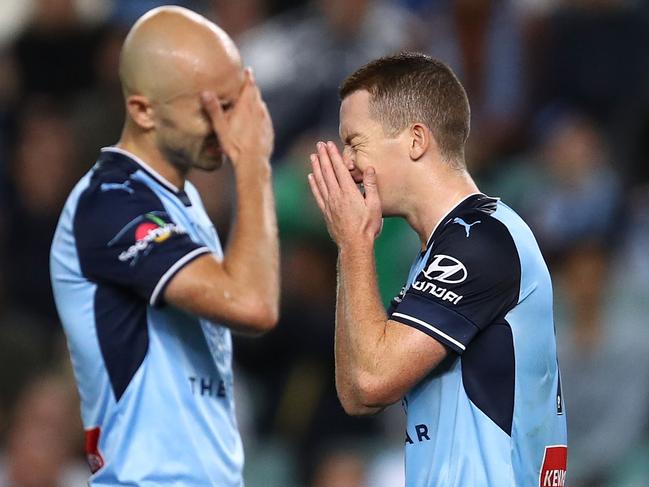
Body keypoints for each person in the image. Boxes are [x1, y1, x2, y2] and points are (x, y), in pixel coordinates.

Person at [307, 53, 567, 486]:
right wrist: (350, 246)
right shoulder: (440, 252)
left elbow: (371, 380)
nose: (347, 163)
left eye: (355, 142)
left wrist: (354, 242)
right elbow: (355, 395)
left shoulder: (482, 239)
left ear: (415, 140)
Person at [50, 6, 279, 486]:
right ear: (142, 109)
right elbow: (252, 304)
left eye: (236, 103)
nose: (229, 126)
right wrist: (254, 164)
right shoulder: (109, 204)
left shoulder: (184, 201)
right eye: (210, 108)